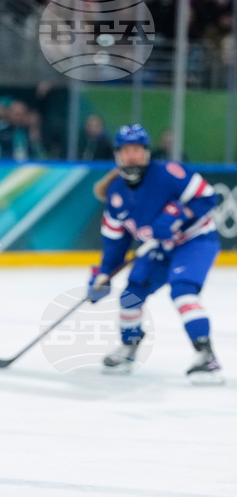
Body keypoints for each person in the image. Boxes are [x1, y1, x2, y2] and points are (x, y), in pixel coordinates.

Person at [87, 124, 222, 384]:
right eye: (126, 151)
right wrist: (103, 274)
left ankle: (205, 355)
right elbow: (116, 244)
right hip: (159, 247)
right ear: (117, 155)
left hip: (194, 240)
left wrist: (178, 215)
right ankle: (129, 347)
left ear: (147, 152)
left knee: (183, 289)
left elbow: (207, 197)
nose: (132, 156)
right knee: (130, 296)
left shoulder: (169, 173)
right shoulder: (115, 194)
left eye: (137, 149)